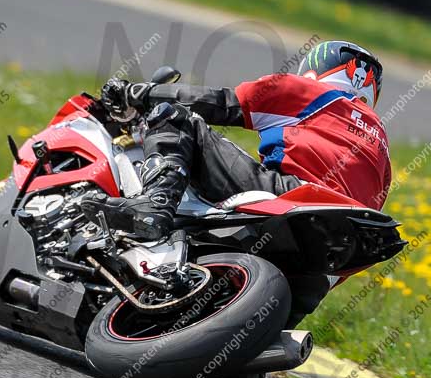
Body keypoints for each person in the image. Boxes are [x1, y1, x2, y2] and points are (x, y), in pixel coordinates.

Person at [82, 40, 391, 243]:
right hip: (342, 243)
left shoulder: (311, 93)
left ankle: (154, 205)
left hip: (296, 197)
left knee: (175, 116)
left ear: (316, 69)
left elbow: (221, 102)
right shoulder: (383, 150)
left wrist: (140, 93)